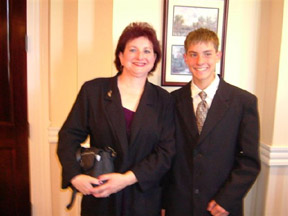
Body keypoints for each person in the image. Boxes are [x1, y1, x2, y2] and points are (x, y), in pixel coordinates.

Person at [57, 22, 175, 216]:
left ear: (154, 59)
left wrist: (127, 178)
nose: (140, 56)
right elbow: (68, 136)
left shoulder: (164, 100)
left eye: (147, 51)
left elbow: (166, 152)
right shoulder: (93, 91)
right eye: (133, 50)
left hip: (143, 198)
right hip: (101, 195)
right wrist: (75, 175)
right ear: (120, 56)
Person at [163, 28, 261, 216]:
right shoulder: (171, 101)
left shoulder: (243, 102)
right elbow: (166, 155)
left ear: (218, 56)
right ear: (185, 58)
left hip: (221, 205)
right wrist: (164, 202)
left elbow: (249, 161)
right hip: (179, 204)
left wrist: (227, 199)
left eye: (207, 54)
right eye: (194, 54)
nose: (200, 61)